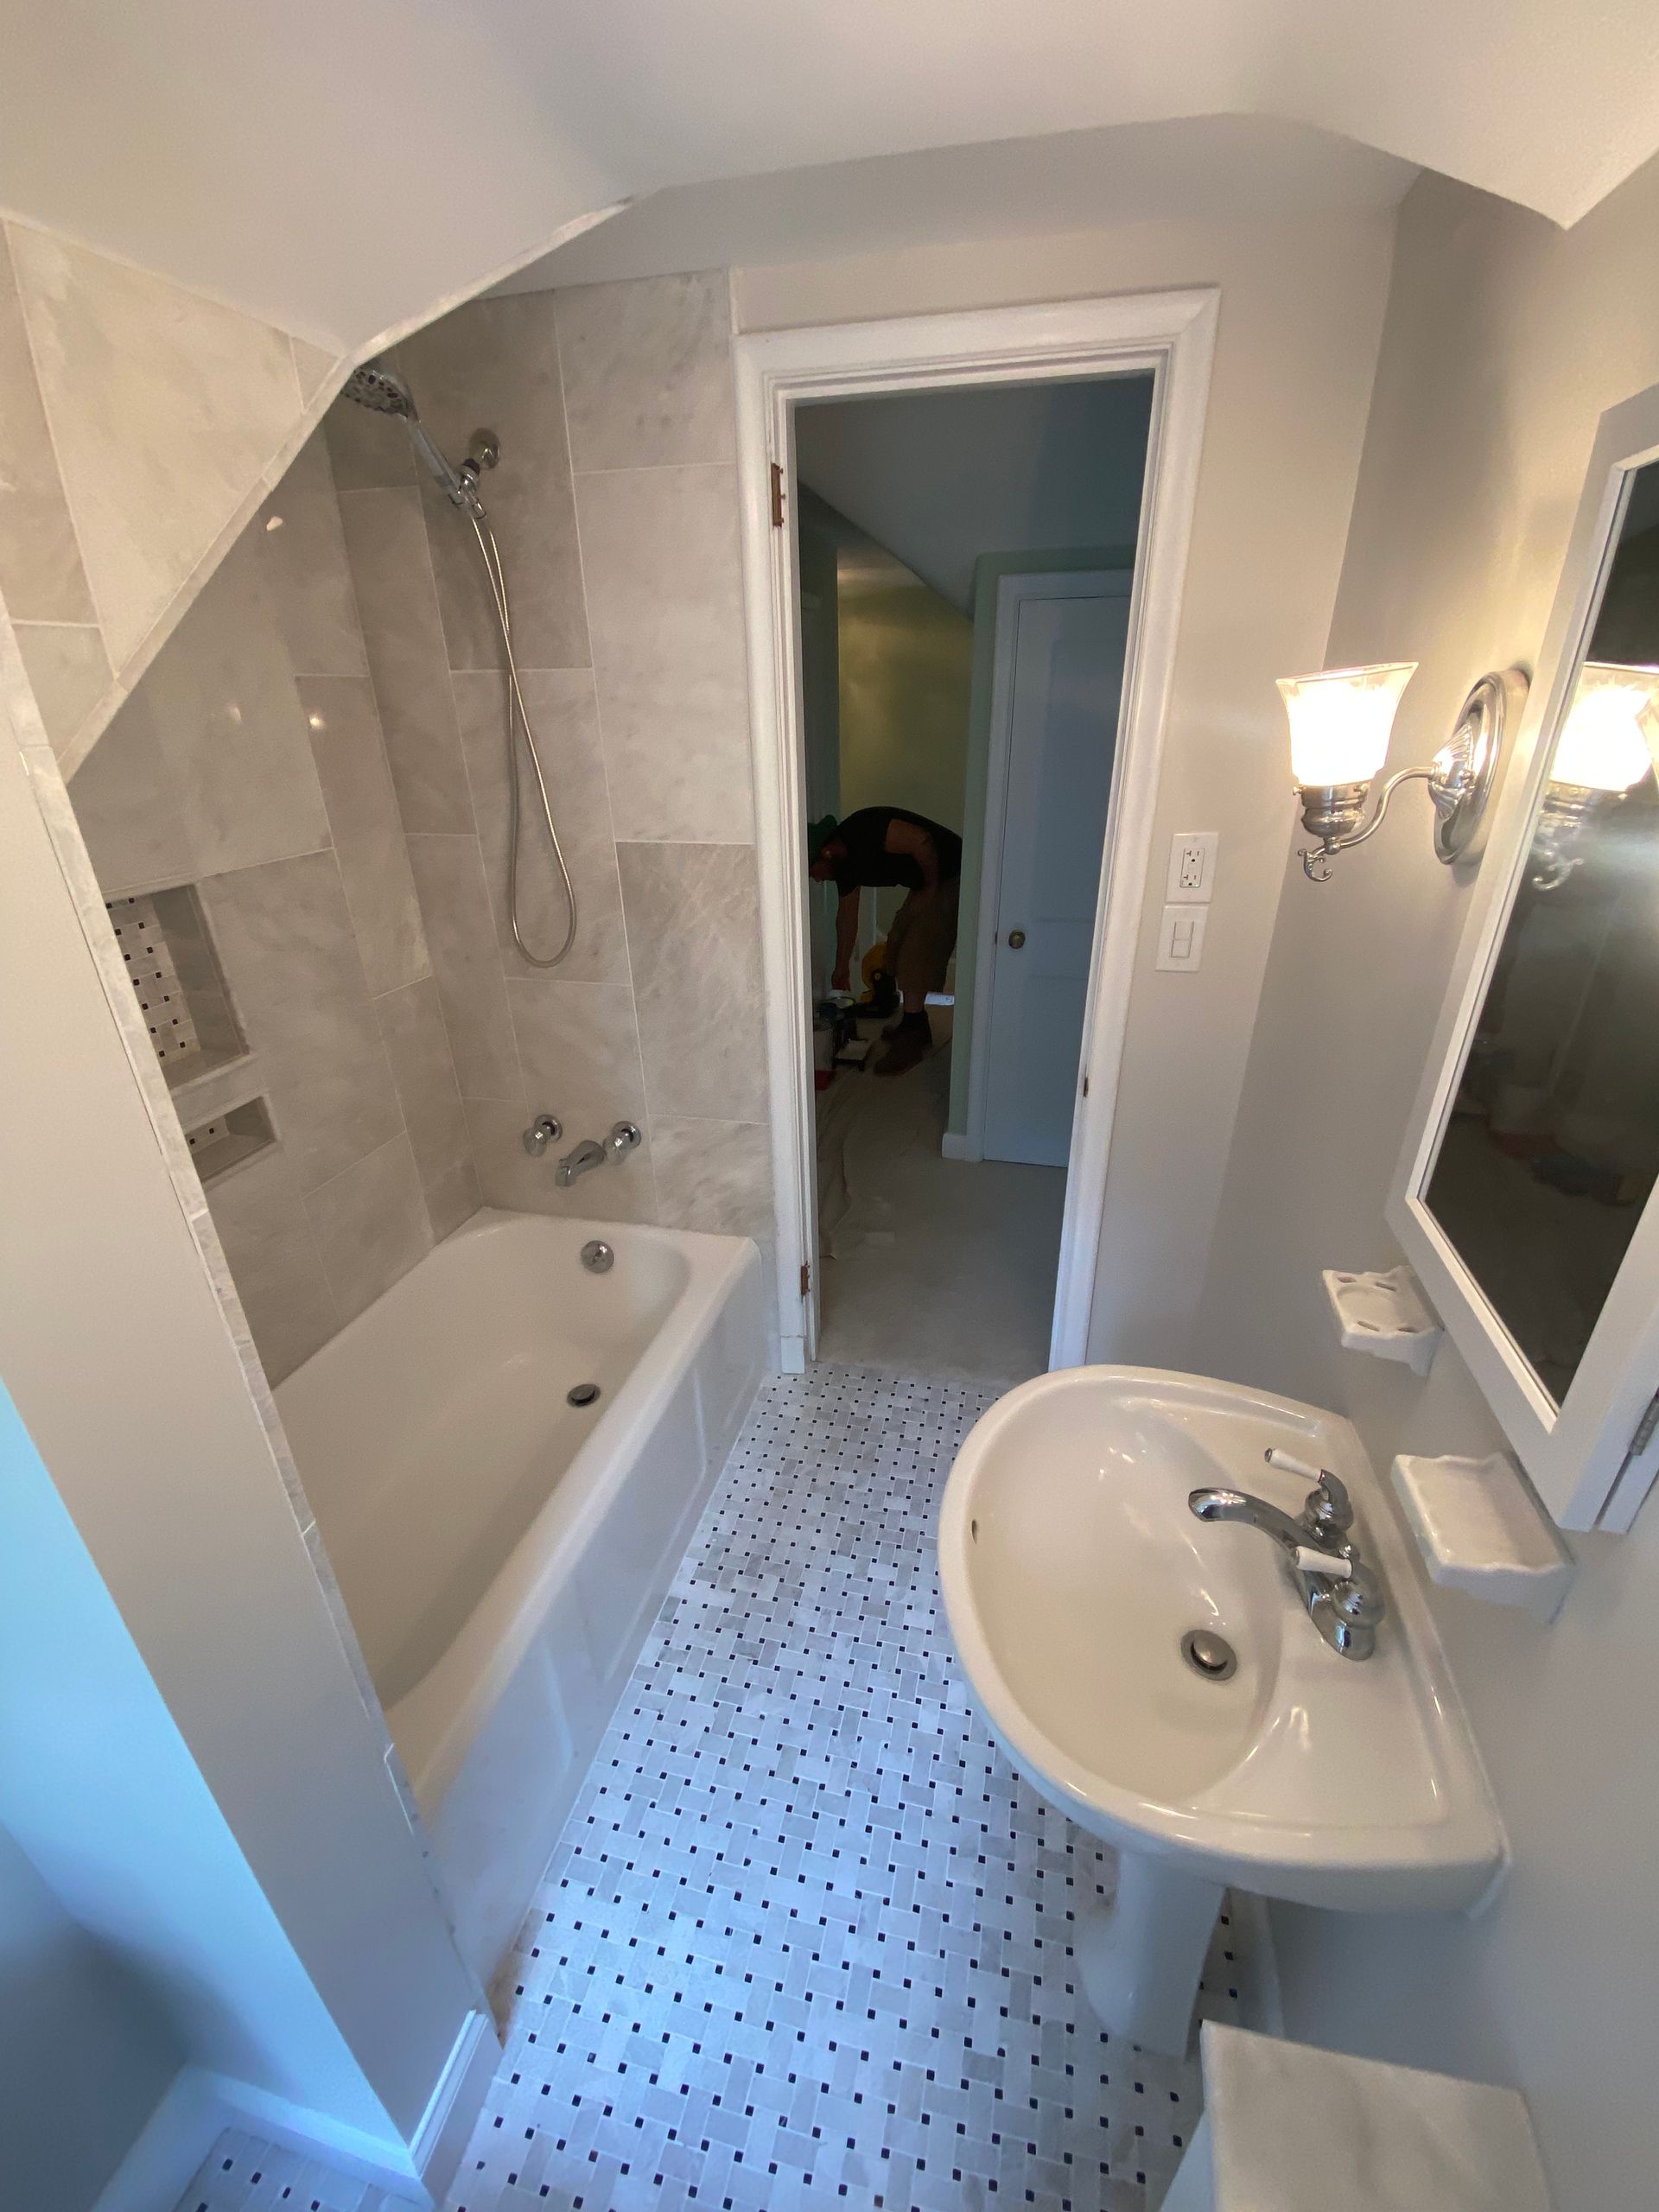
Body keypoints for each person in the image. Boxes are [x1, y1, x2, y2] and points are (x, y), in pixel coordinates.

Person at [809, 805, 963, 1076]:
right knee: (896, 943)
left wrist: (930, 888)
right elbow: (846, 917)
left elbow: (922, 840)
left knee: (917, 951)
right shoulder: (843, 867)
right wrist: (841, 967)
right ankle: (915, 1024)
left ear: (826, 852)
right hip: (925, 880)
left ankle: (913, 1037)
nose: (815, 877)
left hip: (951, 872)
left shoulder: (862, 830)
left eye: (813, 869)